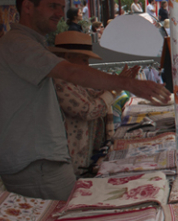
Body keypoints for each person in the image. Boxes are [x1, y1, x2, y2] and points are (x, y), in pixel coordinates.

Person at [0, 0, 170, 200]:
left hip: (39, 161)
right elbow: (71, 74)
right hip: (35, 163)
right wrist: (128, 84)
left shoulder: (26, 43)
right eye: (52, 6)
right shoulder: (18, 44)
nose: (60, 13)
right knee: (67, 218)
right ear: (28, 7)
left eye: (62, 7)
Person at [50, 32, 135, 176]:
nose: (87, 65)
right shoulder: (60, 82)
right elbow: (88, 109)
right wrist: (115, 89)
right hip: (73, 159)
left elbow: (93, 96)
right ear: (68, 58)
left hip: (83, 155)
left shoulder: (73, 81)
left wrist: (117, 84)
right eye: (84, 60)